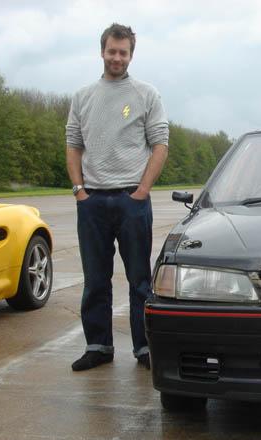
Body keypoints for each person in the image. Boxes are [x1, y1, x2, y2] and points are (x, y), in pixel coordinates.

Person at [65, 23, 169, 371]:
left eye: (123, 52)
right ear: (102, 51)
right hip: (92, 202)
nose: (117, 58)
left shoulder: (146, 94)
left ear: (131, 55)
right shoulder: (83, 97)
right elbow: (73, 145)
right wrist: (79, 190)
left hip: (131, 202)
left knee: (139, 280)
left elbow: (160, 144)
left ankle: (144, 348)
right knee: (95, 280)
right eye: (112, 51)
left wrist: (142, 191)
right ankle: (98, 346)